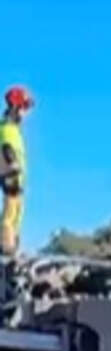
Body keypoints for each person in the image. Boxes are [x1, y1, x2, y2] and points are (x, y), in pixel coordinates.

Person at [1, 85, 33, 259]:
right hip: (10, 174)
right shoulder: (6, 127)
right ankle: (5, 245)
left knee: (17, 211)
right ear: (15, 107)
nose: (25, 114)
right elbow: (5, 147)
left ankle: (12, 244)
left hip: (18, 177)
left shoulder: (15, 130)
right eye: (24, 108)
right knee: (11, 210)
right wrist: (11, 165)